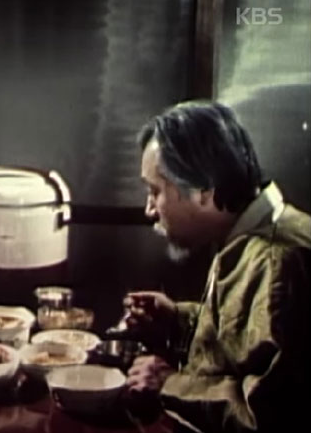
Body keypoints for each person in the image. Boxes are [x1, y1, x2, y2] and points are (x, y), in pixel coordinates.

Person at [124, 101, 310, 433]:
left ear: (204, 192)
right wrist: (178, 319)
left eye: (155, 191)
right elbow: (248, 340)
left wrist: (170, 383)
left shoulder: (276, 260)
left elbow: (265, 416)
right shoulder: (258, 233)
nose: (149, 210)